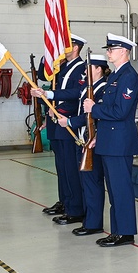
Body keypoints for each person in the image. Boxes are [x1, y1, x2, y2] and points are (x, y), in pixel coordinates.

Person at [84, 33, 138, 248]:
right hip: (110, 141)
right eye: (108, 49)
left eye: (112, 49)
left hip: (119, 143)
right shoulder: (115, 76)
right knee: (114, 190)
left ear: (124, 51)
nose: (108, 52)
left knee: (121, 189)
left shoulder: (128, 77)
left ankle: (125, 232)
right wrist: (99, 135)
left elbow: (120, 111)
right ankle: (118, 230)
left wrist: (94, 108)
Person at [33, 34, 87, 224]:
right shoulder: (62, 66)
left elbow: (76, 94)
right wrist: (46, 57)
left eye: (66, 45)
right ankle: (65, 201)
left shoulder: (82, 68)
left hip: (68, 120)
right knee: (61, 167)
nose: (62, 48)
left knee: (71, 167)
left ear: (76, 48)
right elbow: (42, 75)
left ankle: (75, 208)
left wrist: (53, 101)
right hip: (56, 121)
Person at [57, 54, 111, 237]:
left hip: (94, 142)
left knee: (92, 183)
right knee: (86, 183)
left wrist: (70, 122)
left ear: (99, 69)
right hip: (84, 140)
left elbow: (94, 116)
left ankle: (93, 223)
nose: (85, 71)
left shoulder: (102, 89)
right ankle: (89, 220)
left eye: (90, 68)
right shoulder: (89, 88)